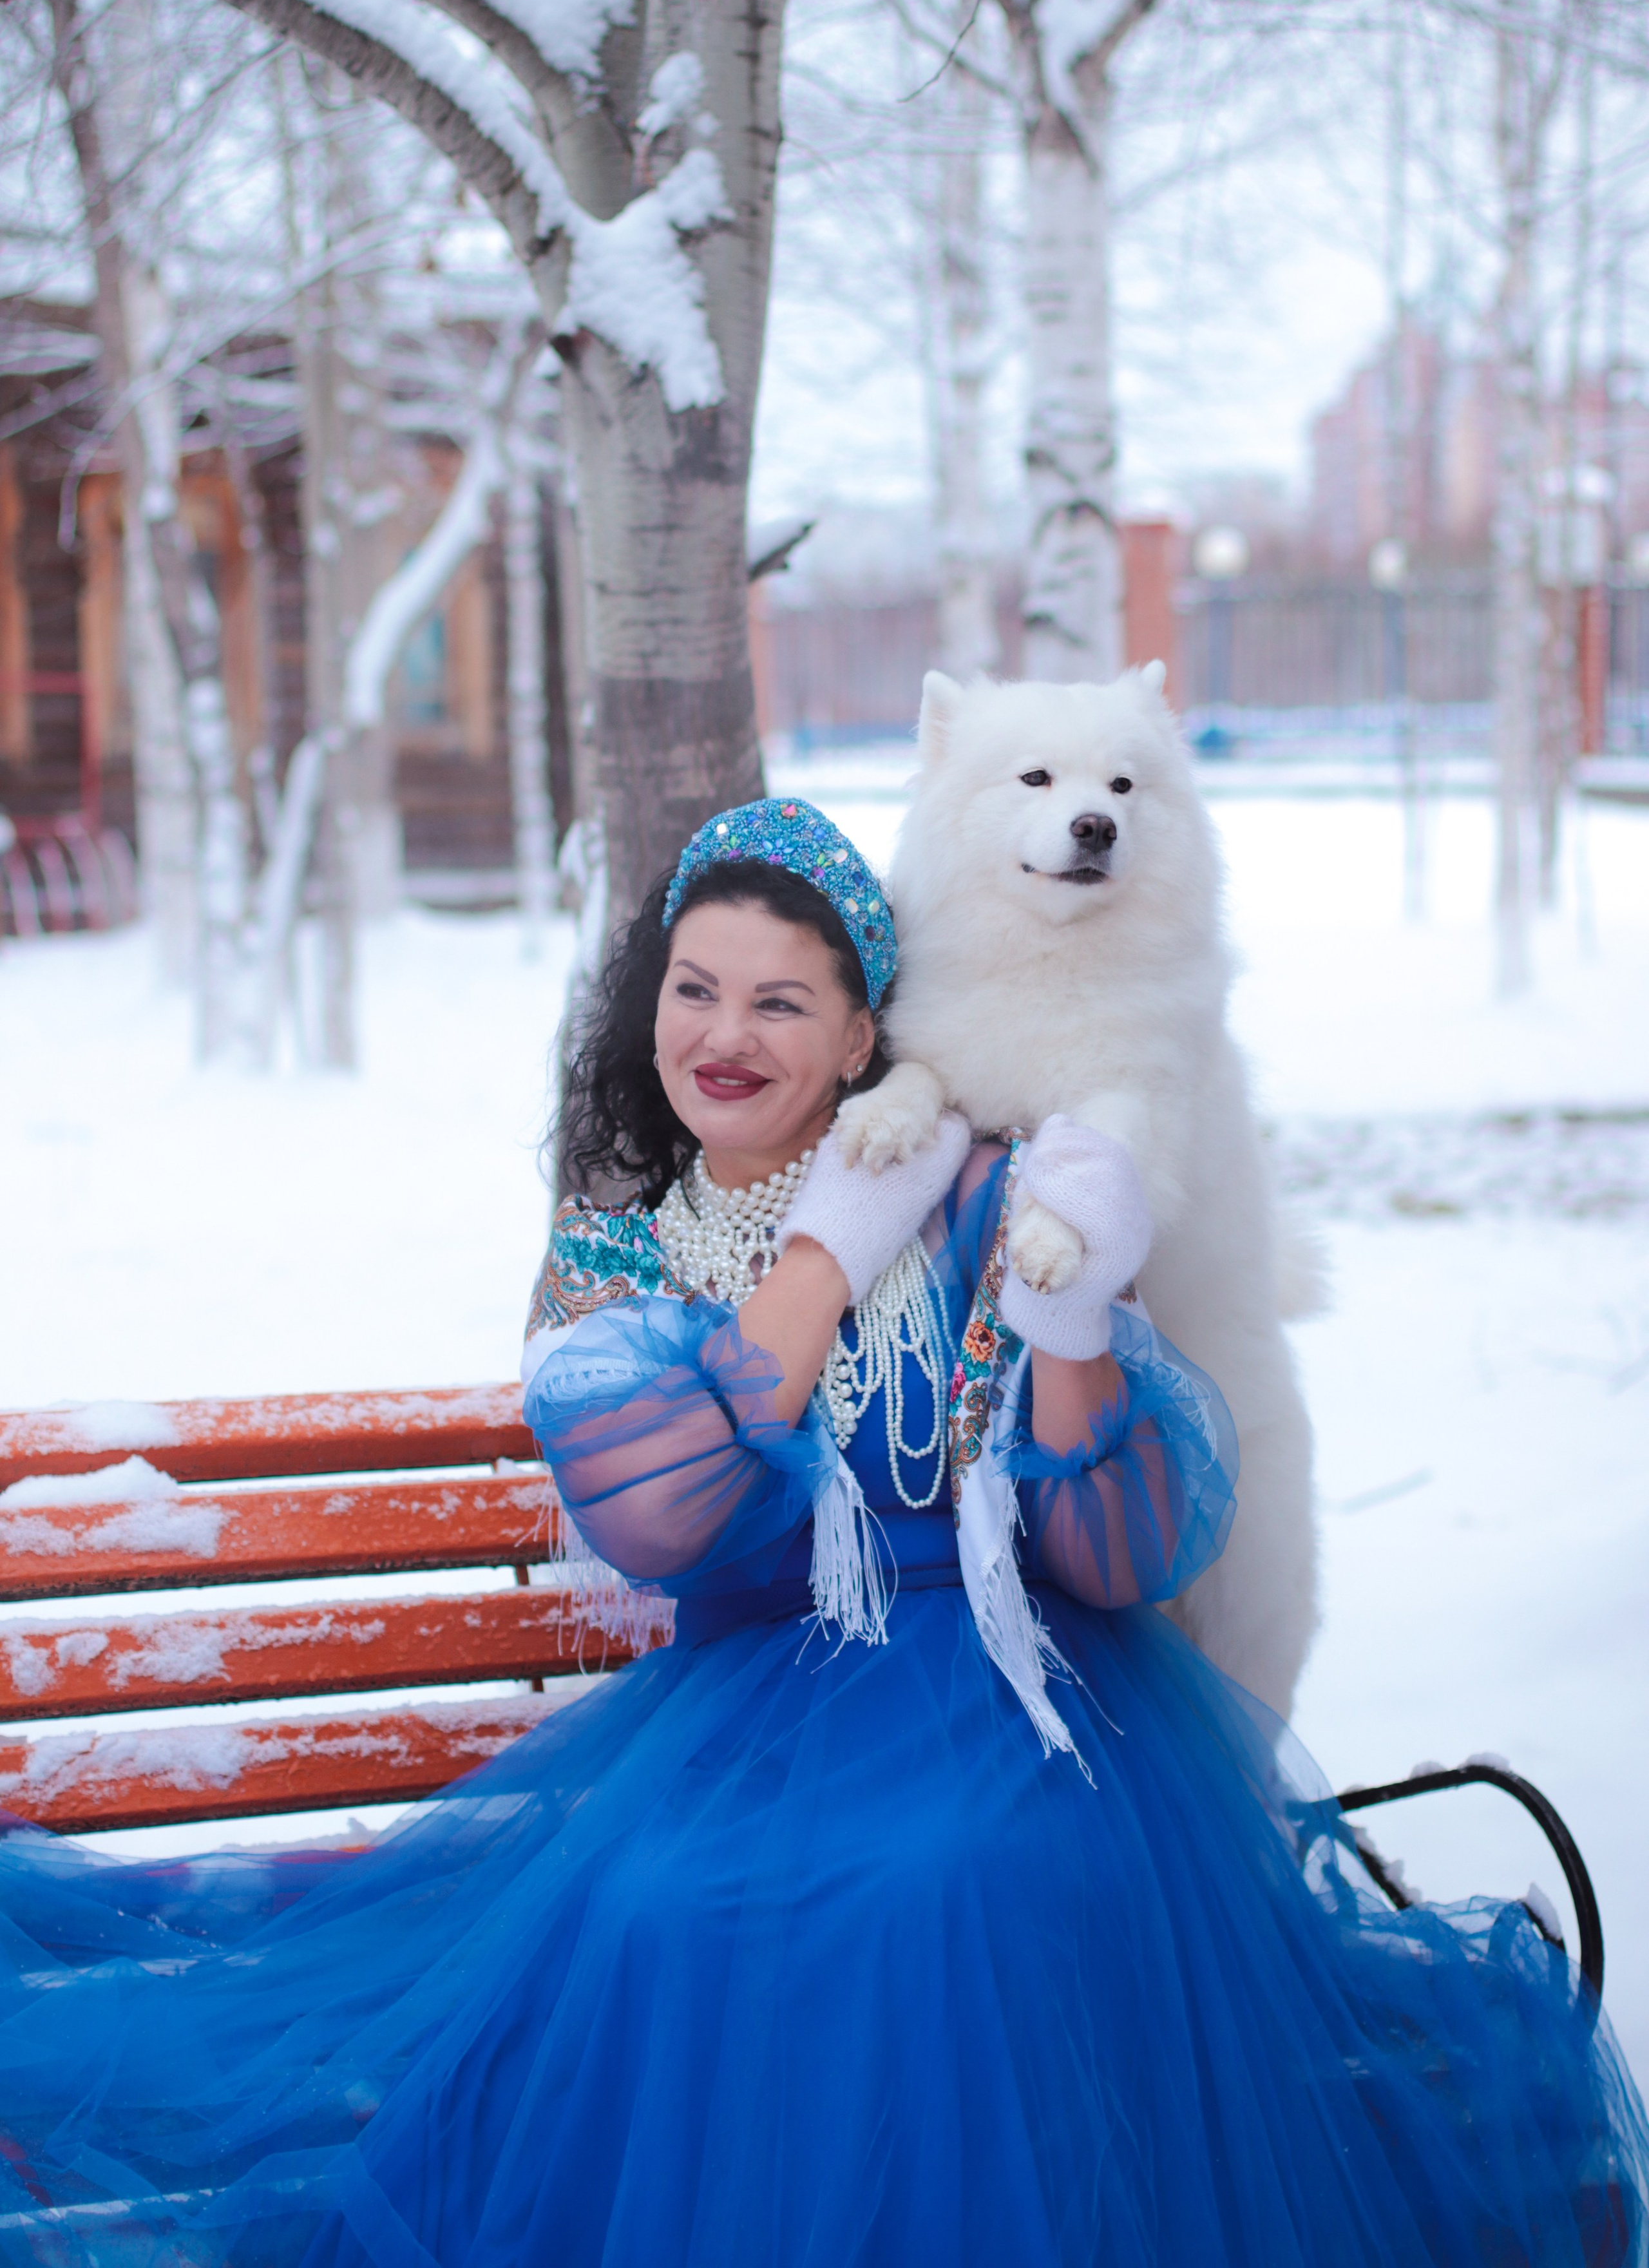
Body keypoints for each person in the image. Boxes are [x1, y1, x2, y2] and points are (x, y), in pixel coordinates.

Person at [0, 797, 1644, 2268]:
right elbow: (671, 1524)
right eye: (692, 991)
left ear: (863, 1038)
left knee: (949, 1886)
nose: (724, 1035)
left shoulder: (1001, 1199)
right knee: (660, 1916)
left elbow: (1117, 1560)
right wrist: (828, 1251)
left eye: (781, 1001)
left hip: (1024, 1706)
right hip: (745, 1721)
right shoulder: (614, 1263)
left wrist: (1069, 1319)